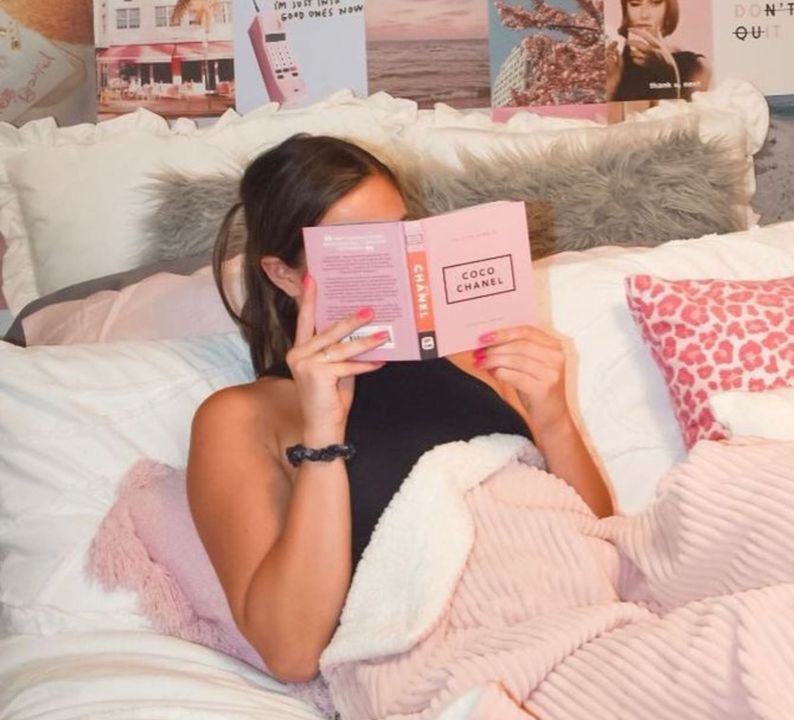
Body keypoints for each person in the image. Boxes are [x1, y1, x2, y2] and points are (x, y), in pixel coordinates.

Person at [190, 135, 614, 683]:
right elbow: (290, 652)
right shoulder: (242, 417)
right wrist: (322, 436)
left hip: (581, 615)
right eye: (360, 249)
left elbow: (601, 541)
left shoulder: (472, 354)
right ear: (285, 274)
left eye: (401, 234)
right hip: (453, 664)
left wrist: (551, 414)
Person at [605, 0, 710, 102]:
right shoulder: (613, 62)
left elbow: (683, 118)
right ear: (625, 9)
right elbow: (599, 118)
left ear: (669, 8)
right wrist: (612, 84)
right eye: (635, 4)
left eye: (656, 2)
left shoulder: (696, 66)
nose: (644, 15)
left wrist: (668, 73)